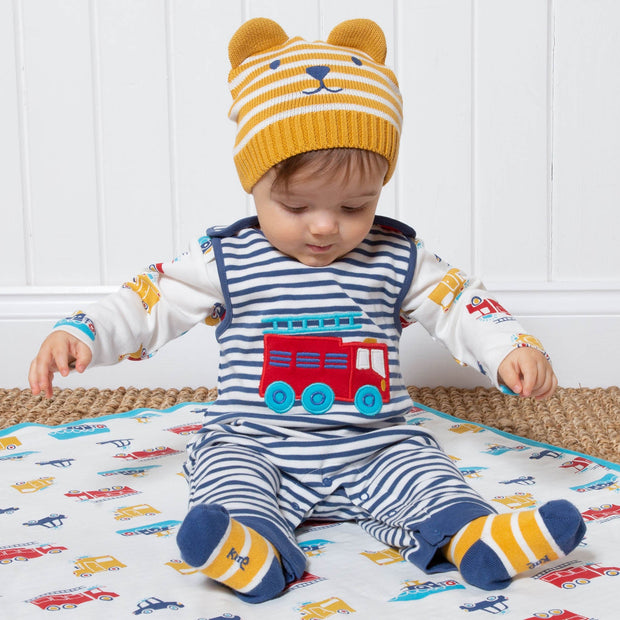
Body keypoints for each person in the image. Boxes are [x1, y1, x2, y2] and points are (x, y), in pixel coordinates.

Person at [29, 17, 584, 604]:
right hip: (257, 440)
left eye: (355, 204)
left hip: (374, 443)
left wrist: (509, 348)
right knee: (226, 480)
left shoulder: (397, 256)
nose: (324, 226)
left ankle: (479, 537)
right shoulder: (225, 259)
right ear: (254, 185)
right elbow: (149, 300)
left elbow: (460, 304)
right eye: (295, 205)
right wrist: (84, 333)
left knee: (429, 478)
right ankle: (251, 547)